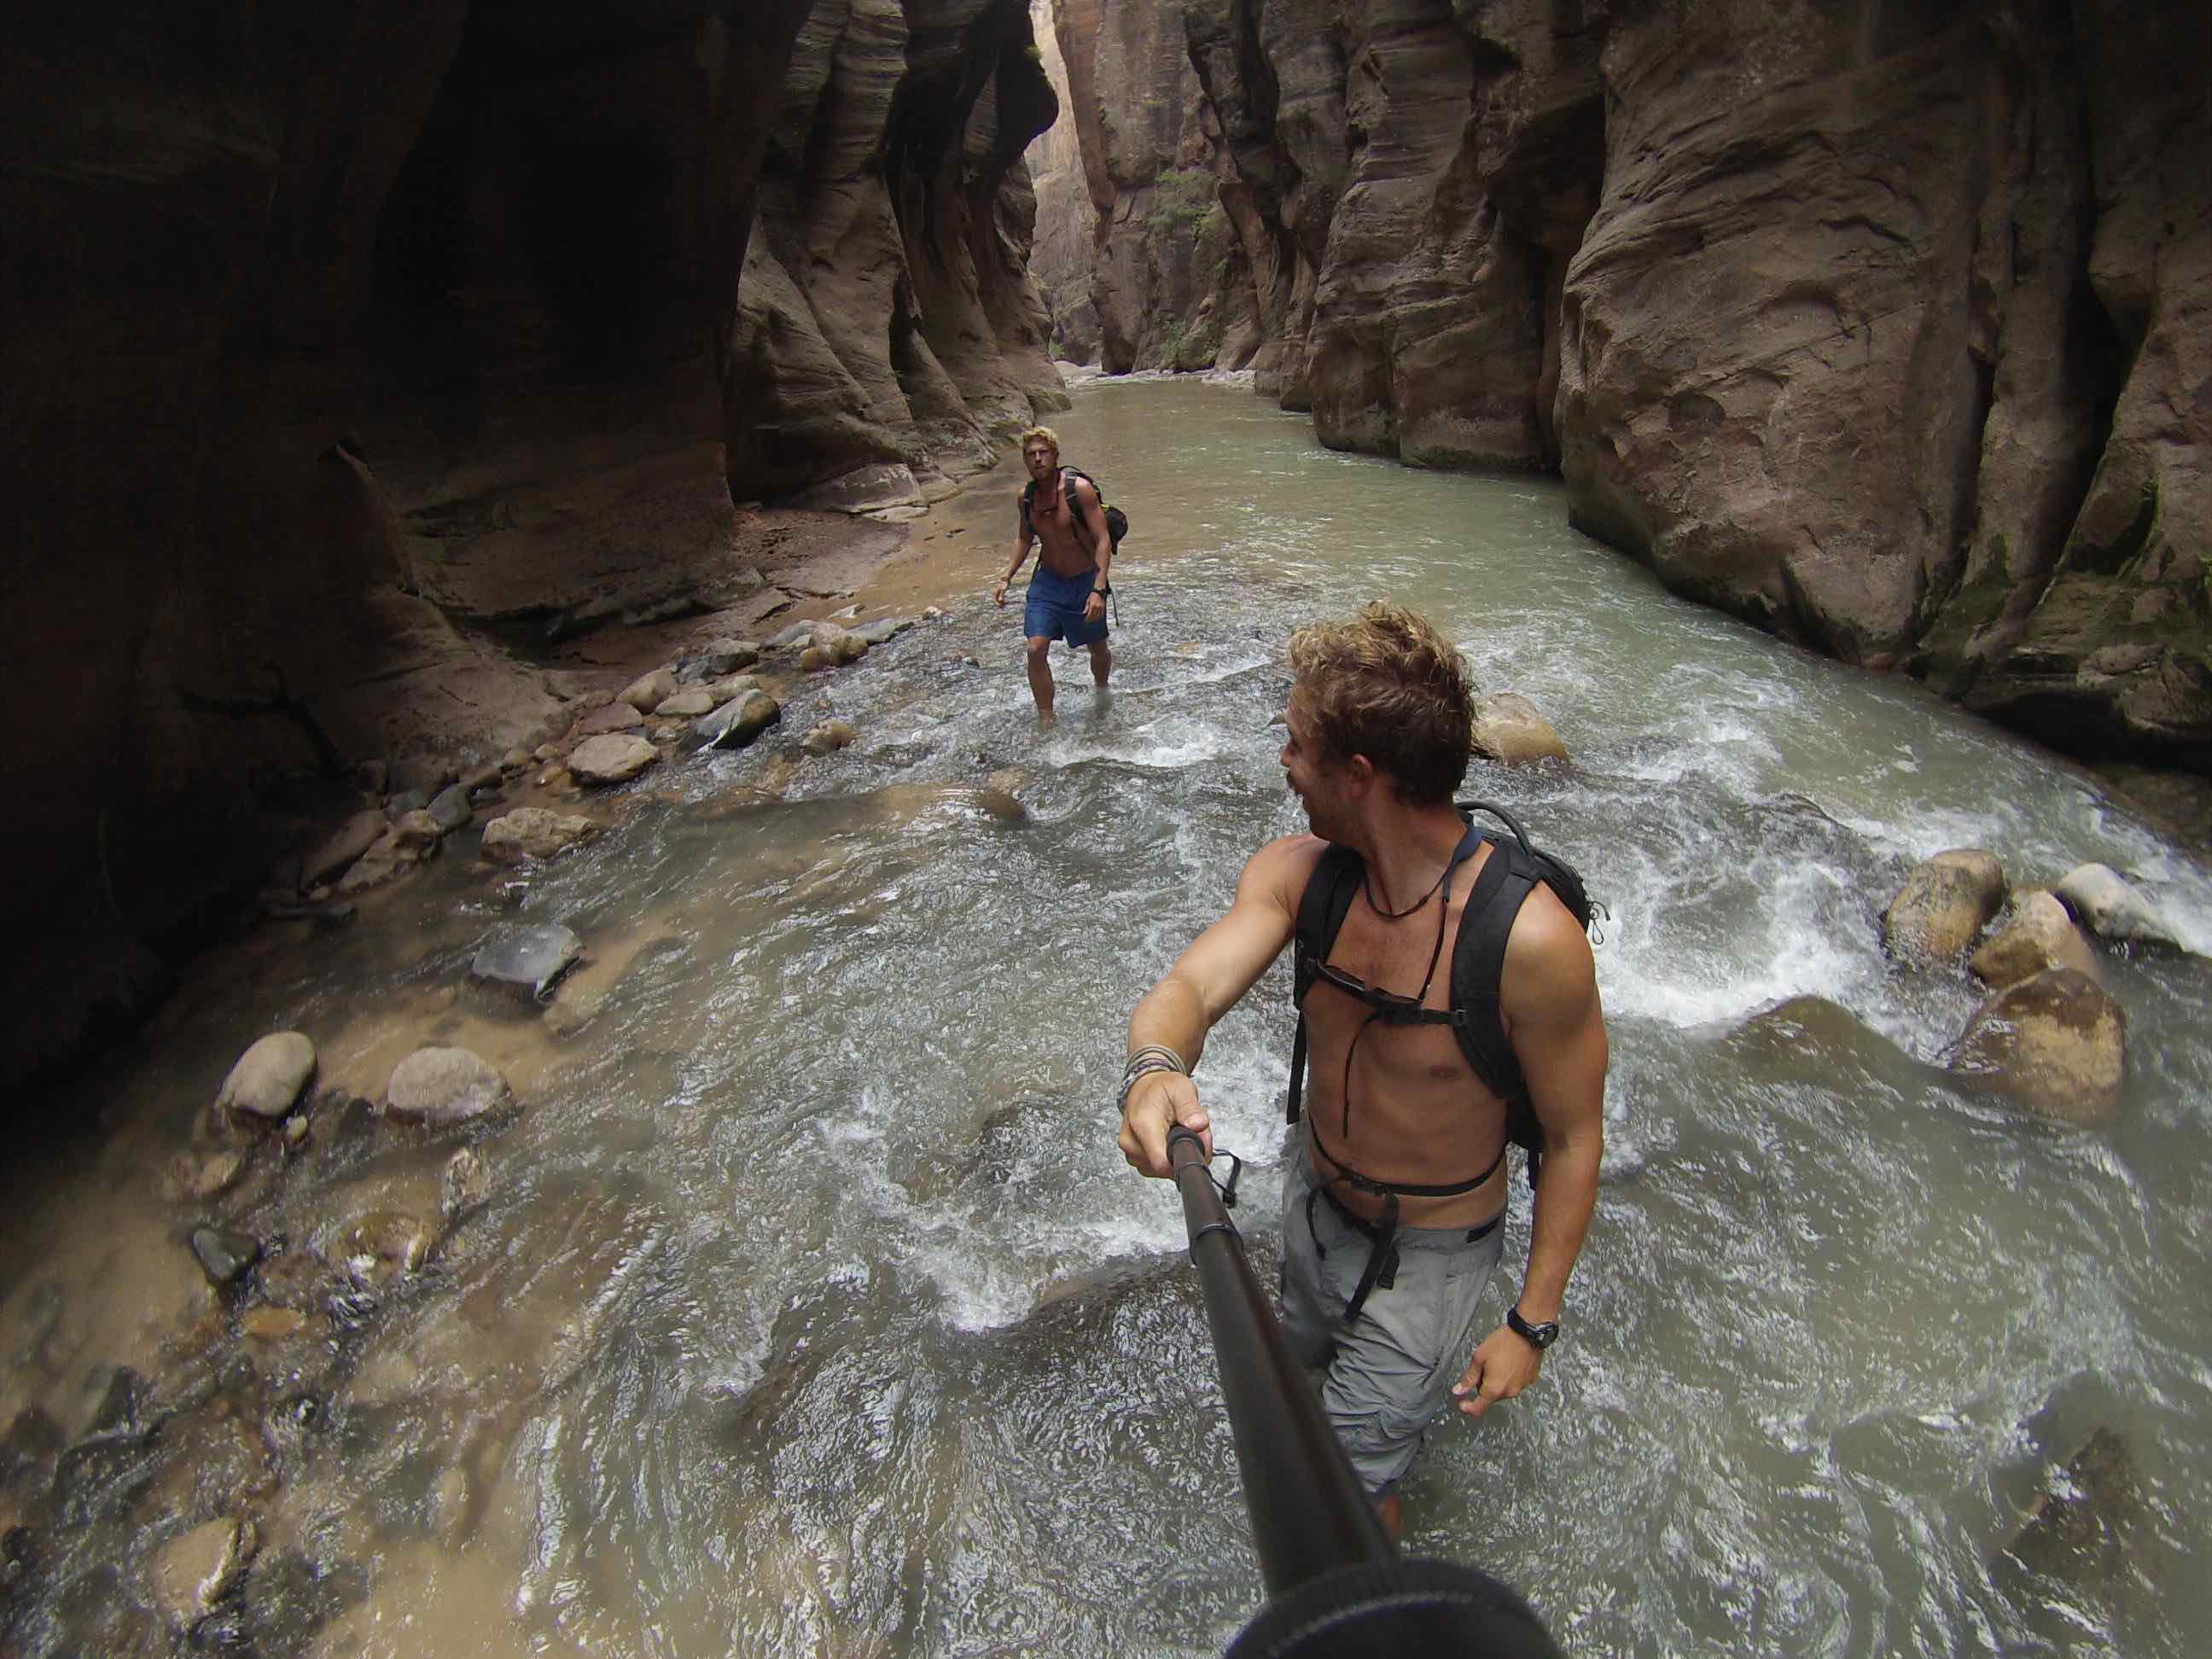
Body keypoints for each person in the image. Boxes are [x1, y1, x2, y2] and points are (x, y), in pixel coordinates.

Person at [1116, 602, 1607, 1539]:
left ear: (1359, 775)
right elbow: (1191, 985)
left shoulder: (1532, 939)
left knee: (1338, 1495)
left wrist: (1532, 1323)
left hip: (1430, 1256)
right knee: (1305, 1381)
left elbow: (1577, 1136)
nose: (1284, 762)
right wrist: (1152, 1068)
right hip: (1313, 1204)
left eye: (1296, 744)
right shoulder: (1303, 872)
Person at [993, 426, 1113, 722]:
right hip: (1047, 581)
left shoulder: (1079, 490)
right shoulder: (1026, 498)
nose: (1037, 459)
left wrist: (1098, 589)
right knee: (1035, 649)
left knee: (1096, 648)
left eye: (1043, 453)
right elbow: (1024, 538)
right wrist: (1005, 577)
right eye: (1031, 455)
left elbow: (1103, 540)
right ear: (1025, 460)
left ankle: (1102, 690)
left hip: (1084, 580)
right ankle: (1046, 718)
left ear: (1055, 456)